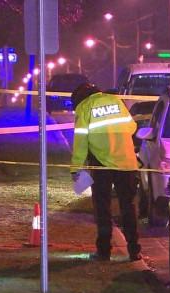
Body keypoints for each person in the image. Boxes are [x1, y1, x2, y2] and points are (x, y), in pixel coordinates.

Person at [70, 83, 142, 262]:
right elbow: (132, 127)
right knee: (128, 207)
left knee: (103, 209)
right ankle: (134, 251)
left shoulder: (84, 107)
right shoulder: (115, 100)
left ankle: (104, 251)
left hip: (102, 163)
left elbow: (80, 140)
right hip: (126, 162)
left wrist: (75, 168)